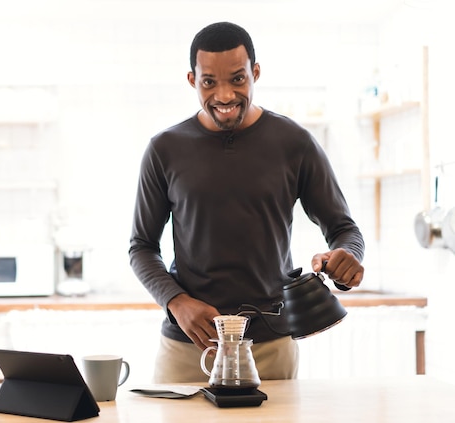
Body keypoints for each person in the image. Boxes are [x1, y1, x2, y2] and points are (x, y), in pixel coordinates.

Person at [128, 21, 365, 383]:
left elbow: (344, 230)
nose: (224, 95)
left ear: (255, 73)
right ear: (193, 80)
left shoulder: (295, 142)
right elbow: (141, 247)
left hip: (271, 346)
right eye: (209, 82)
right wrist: (176, 302)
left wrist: (348, 256)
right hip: (190, 346)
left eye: (237, 79)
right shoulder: (164, 149)